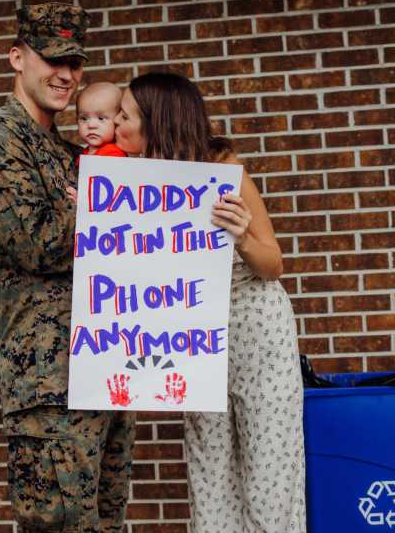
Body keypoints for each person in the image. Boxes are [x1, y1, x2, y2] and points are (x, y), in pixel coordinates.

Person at [0, 2, 135, 533]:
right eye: (52, 60)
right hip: (48, 381)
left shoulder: (72, 151)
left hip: (104, 367)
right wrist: (110, 206)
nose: (66, 75)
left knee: (106, 524)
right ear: (17, 58)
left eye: (75, 63)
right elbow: (37, 244)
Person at [111, 72, 307, 533]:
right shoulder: (126, 183)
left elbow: (273, 263)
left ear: (155, 123)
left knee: (269, 467)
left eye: (124, 115)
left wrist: (240, 237)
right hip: (197, 336)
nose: (114, 124)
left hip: (256, 327)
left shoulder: (225, 172)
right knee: (209, 469)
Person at [77, 82, 127, 158]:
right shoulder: (85, 152)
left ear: (117, 120)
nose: (91, 125)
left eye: (101, 118)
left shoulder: (113, 155)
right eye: (84, 118)